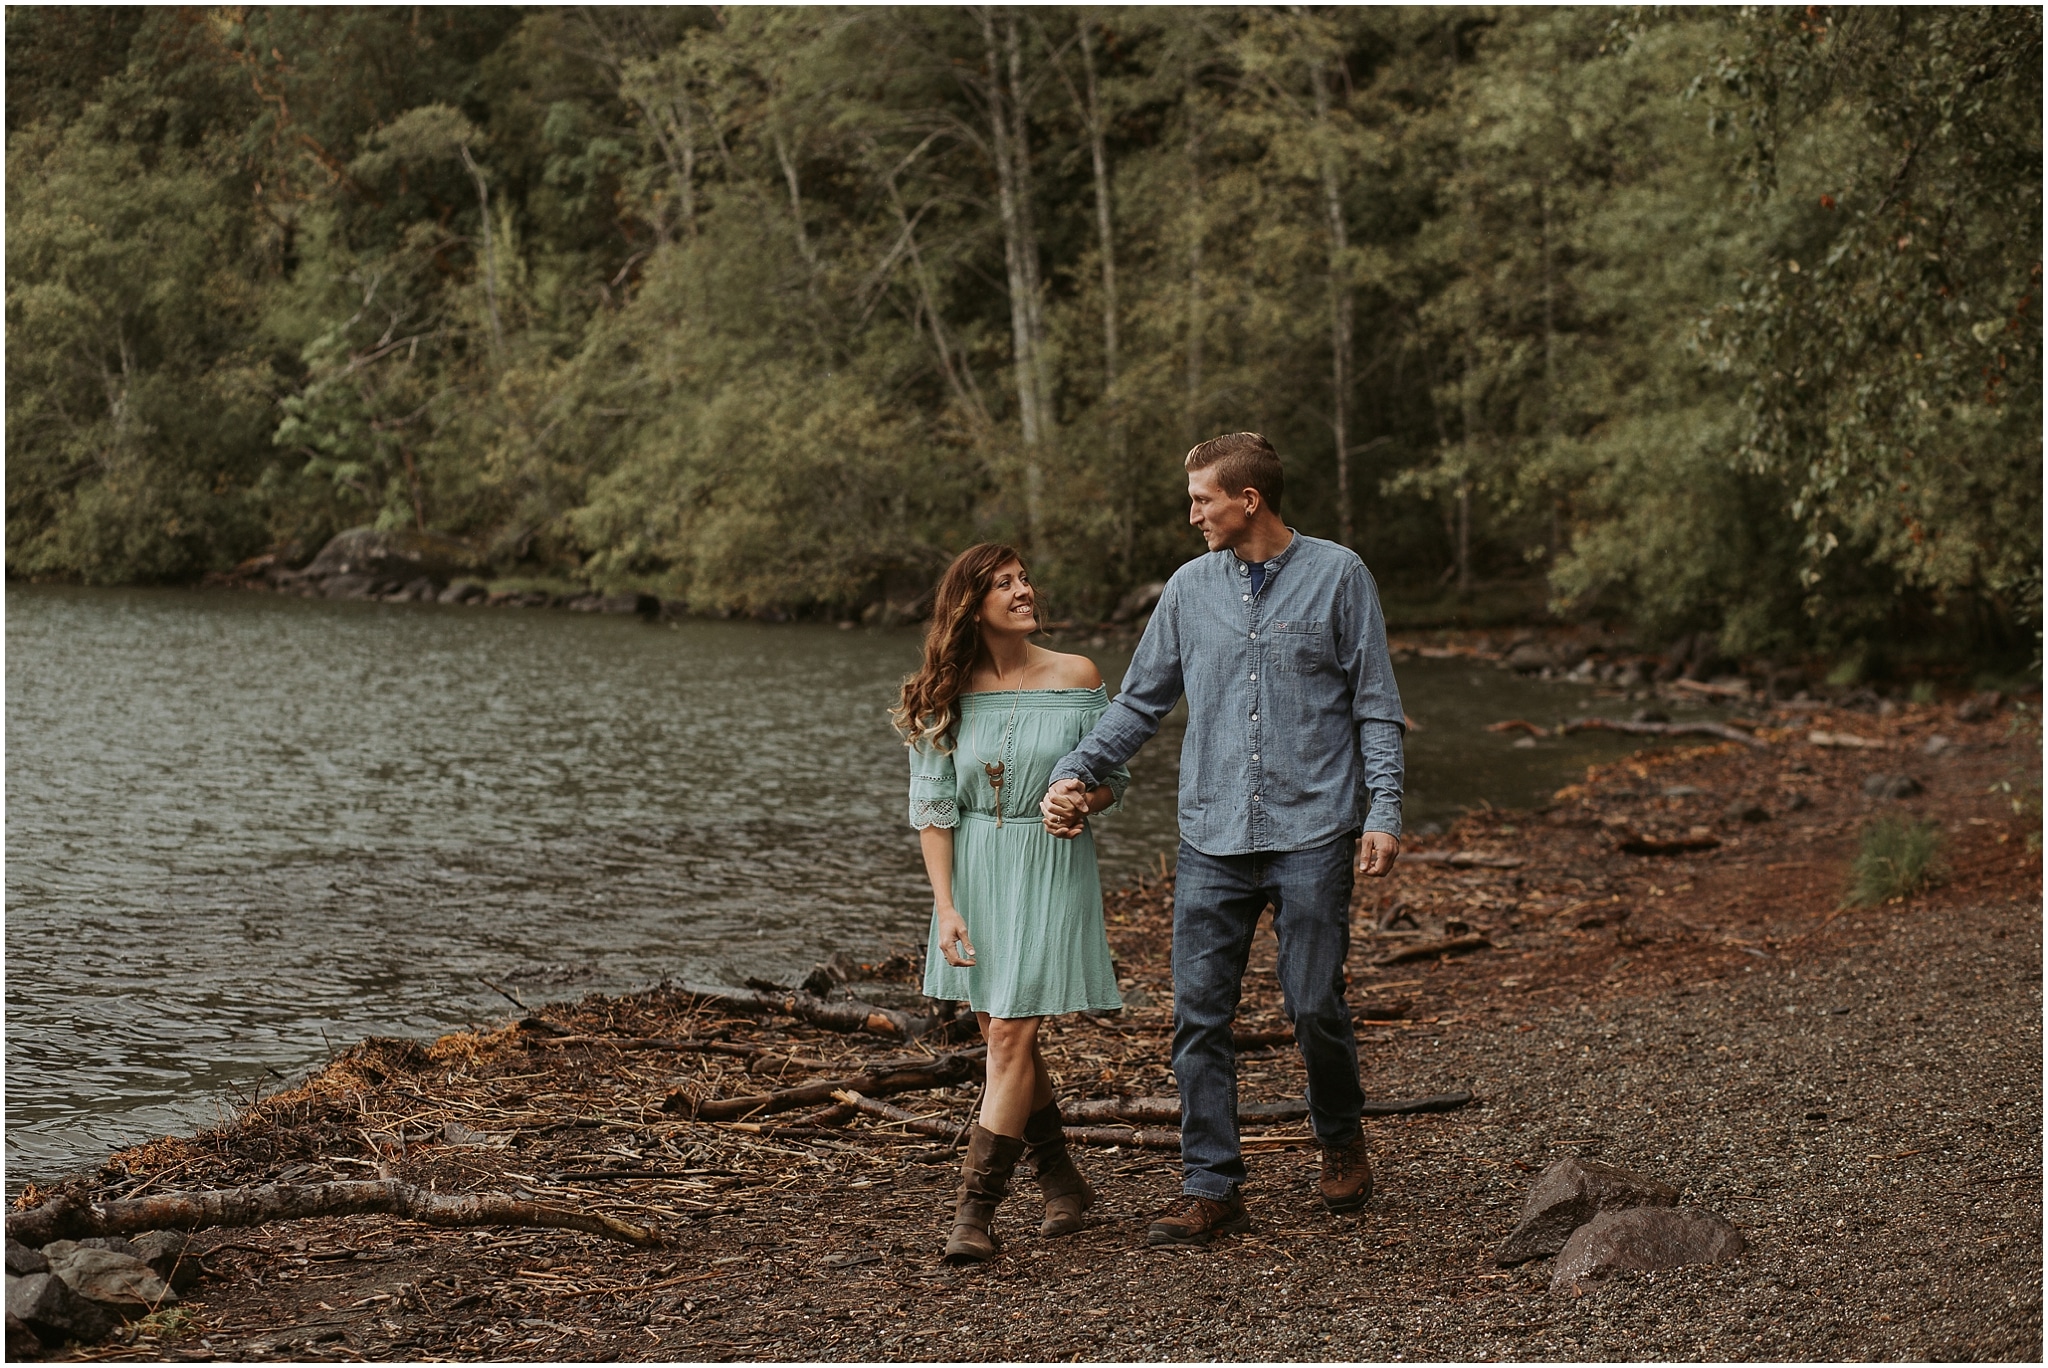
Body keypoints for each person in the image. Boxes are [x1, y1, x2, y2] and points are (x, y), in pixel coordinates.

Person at [1041, 431, 1405, 1246]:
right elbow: (1139, 704)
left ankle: (1341, 1139)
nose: (1193, 513)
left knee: (1314, 1004)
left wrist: (1383, 811)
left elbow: (1375, 704)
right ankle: (1212, 1185)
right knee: (1199, 1017)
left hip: (1315, 828)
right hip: (1212, 833)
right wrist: (1076, 769)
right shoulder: (1187, 589)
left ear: (1249, 500)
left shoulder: (1340, 575)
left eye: (1202, 498)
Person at [891, 542, 1129, 1262]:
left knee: (1008, 1038)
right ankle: (1063, 1183)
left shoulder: (1077, 675)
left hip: (1051, 861)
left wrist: (1079, 797)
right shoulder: (941, 693)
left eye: (1025, 579)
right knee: (1004, 1029)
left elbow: (1112, 776)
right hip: (976, 869)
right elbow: (933, 810)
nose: (1025, 590)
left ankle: (975, 1212)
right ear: (972, 604)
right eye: (1006, 584)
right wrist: (947, 906)